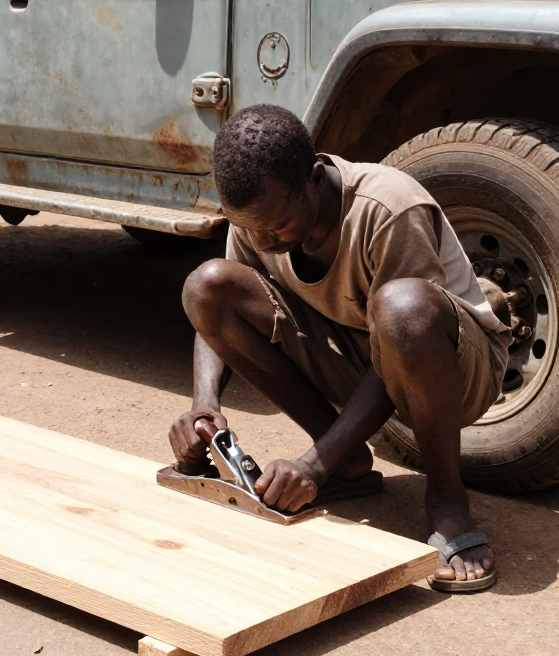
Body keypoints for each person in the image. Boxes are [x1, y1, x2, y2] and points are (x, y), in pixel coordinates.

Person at [168, 105, 512, 592]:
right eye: (250, 227)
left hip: (453, 371)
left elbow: (407, 332)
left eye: (277, 226)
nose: (263, 239)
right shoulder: (258, 215)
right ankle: (349, 465)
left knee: (403, 307)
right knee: (206, 285)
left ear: (313, 179)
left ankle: (447, 500)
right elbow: (217, 314)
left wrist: (312, 464)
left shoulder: (387, 207)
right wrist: (204, 403)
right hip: (361, 354)